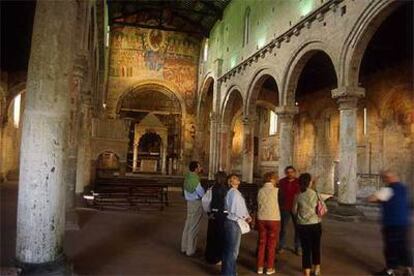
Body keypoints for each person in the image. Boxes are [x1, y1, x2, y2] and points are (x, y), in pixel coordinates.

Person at [368, 170, 413, 276]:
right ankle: (408, 270)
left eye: (384, 178)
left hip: (391, 223)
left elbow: (371, 199)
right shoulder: (403, 188)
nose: (384, 181)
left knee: (391, 247)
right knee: (403, 247)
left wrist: (380, 200)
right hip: (404, 223)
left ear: (387, 178)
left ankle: (390, 271)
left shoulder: (387, 190)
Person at [293, 173, 325, 276]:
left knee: (306, 249)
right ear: (309, 182)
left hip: (302, 225)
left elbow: (294, 211)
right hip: (315, 224)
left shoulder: (298, 195)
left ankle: (306, 271)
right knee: (316, 247)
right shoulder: (315, 194)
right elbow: (323, 208)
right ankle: (316, 270)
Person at [222, 174, 252, 276]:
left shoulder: (231, 192)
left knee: (229, 249)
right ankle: (229, 273)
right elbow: (238, 209)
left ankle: (230, 272)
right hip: (234, 222)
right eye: (233, 178)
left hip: (230, 221)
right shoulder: (234, 193)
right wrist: (246, 217)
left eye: (237, 178)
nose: (236, 179)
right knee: (233, 252)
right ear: (230, 182)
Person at [256, 172, 281, 275]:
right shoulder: (277, 191)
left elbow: (257, 203)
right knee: (271, 245)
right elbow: (281, 203)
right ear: (272, 180)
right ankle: (270, 268)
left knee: (261, 243)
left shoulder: (260, 190)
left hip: (261, 218)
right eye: (275, 179)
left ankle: (260, 267)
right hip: (273, 219)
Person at [181, 161, 205, 256]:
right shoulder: (195, 179)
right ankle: (190, 250)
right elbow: (201, 193)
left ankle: (184, 247)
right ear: (195, 169)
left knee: (188, 224)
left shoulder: (187, 176)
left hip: (189, 203)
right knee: (193, 226)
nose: (200, 168)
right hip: (195, 203)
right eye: (199, 167)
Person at [205, 171, 228, 265]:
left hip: (213, 214)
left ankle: (209, 256)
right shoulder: (226, 190)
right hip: (222, 214)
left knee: (211, 235)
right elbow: (228, 203)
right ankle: (218, 257)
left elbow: (206, 201)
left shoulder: (211, 188)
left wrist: (208, 212)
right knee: (220, 236)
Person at [278, 166, 301, 255]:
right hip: (285, 208)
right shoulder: (281, 182)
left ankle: (297, 247)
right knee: (283, 228)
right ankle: (281, 246)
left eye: (291, 172)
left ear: (294, 173)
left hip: (296, 208)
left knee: (298, 228)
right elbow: (279, 194)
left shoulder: (299, 182)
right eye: (288, 172)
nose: (290, 174)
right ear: (285, 173)